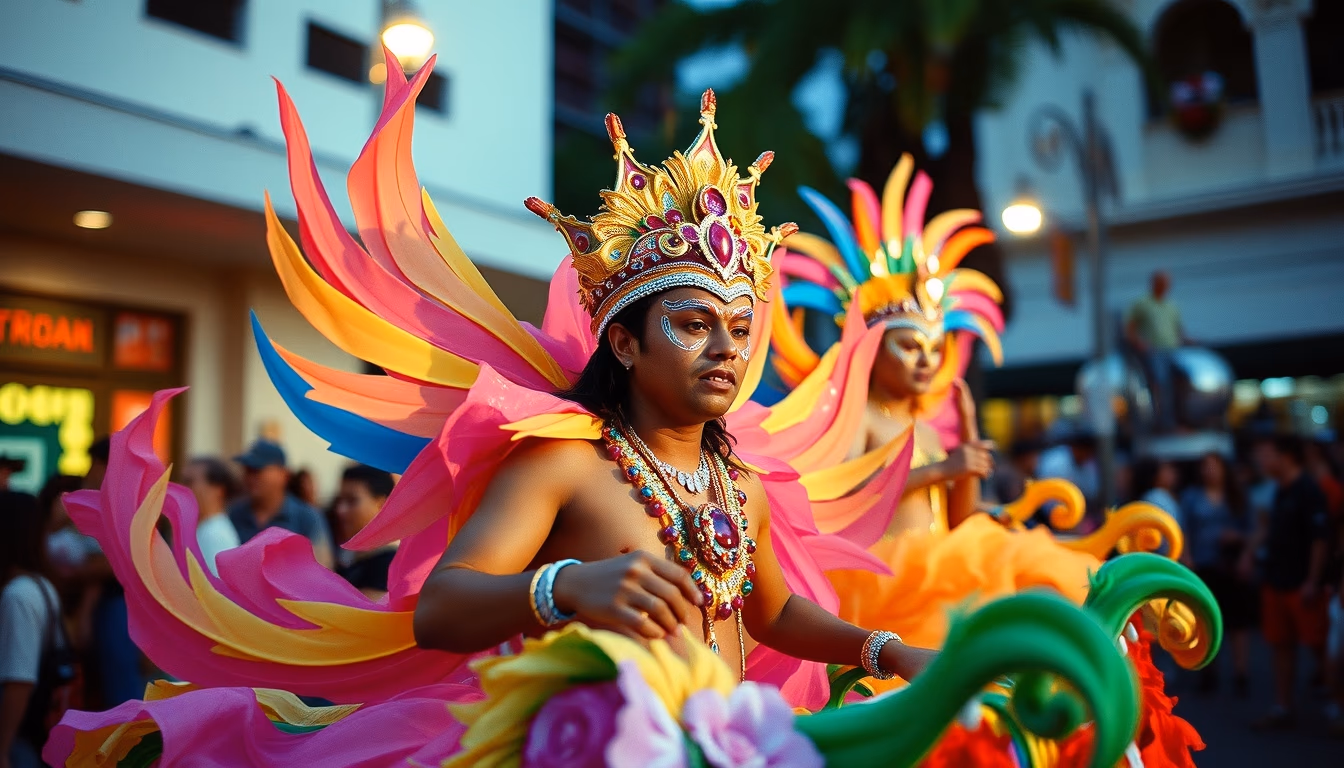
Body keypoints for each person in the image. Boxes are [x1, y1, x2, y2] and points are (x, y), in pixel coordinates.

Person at [1242, 435, 1330, 729]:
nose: (1261, 461)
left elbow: (1320, 540)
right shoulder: (1280, 490)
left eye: (1267, 454)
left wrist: (1313, 580)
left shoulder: (1308, 490)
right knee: (1280, 645)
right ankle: (1283, 707)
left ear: (1287, 457)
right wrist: (1249, 553)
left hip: (1302, 583)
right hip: (1276, 580)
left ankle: (1337, 706)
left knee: (1321, 647)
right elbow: (1268, 530)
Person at [1, 490, 73, 768]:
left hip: (20, 740)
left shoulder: (17, 595)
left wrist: (2, 748)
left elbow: (19, 681)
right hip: (37, 734)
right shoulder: (40, 585)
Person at [1179, 453, 1253, 694]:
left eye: (1213, 466)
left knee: (1237, 622)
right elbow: (1184, 529)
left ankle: (1241, 673)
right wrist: (1187, 557)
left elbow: (1252, 529)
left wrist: (1241, 545)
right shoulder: (1191, 497)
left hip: (1231, 565)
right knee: (1206, 621)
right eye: (1204, 466)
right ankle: (1208, 671)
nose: (1208, 471)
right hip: (1204, 565)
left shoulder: (1237, 495)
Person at [227, 440, 333, 569]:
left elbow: (323, 570)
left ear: (283, 475)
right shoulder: (234, 514)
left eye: (257, 470)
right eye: (247, 470)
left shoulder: (307, 518)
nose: (250, 477)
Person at [1124, 270, 1189, 434]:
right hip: (1154, 352)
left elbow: (1178, 329)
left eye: (1167, 283)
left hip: (1172, 351)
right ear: (1154, 283)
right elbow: (1129, 328)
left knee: (1182, 381)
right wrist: (1139, 343)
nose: (1166, 286)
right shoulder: (1142, 303)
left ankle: (1181, 420)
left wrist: (1187, 341)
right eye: (1162, 282)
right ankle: (1163, 423)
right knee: (1161, 384)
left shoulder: (1171, 305)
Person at [332, 465, 396, 599]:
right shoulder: (350, 561)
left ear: (382, 504)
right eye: (340, 500)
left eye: (351, 501)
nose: (340, 510)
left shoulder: (390, 568)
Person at [180, 458, 241, 576]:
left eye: (189, 482)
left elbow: (217, 586)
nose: (182, 488)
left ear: (218, 489)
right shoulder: (206, 529)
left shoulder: (215, 535)